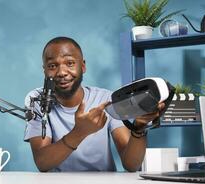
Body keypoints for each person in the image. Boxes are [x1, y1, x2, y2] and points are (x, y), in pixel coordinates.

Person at [24, 36, 165, 172]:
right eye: (52, 66)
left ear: (83, 66)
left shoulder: (105, 99)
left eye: (70, 63)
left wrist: (138, 129)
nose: (61, 72)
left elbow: (131, 165)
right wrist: (80, 132)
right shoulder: (37, 100)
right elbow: (42, 162)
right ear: (45, 70)